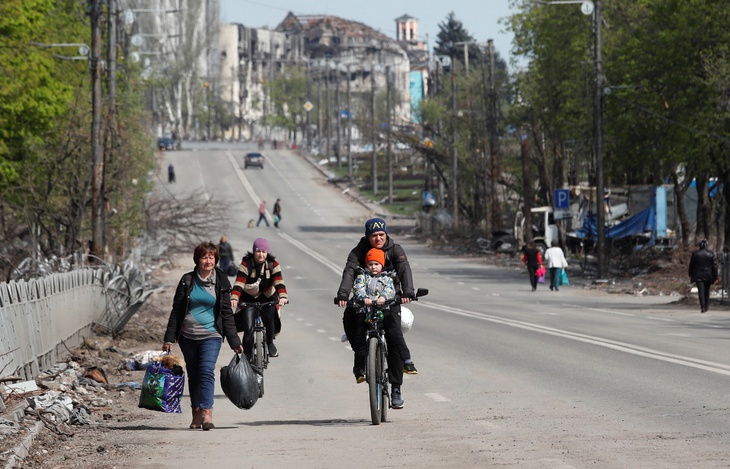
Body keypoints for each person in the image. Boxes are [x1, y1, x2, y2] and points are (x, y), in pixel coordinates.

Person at [336, 218, 417, 410]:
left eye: (381, 235)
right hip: (364, 299)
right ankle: (361, 356)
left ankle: (396, 389)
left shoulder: (395, 249)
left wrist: (407, 292)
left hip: (389, 301)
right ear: (367, 236)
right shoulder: (358, 252)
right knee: (349, 316)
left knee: (393, 336)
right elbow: (349, 272)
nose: (378, 238)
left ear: (386, 234)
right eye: (374, 235)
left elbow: (404, 270)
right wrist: (343, 294)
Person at [162, 242, 243, 431]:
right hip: (187, 336)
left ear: (216, 260)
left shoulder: (221, 281)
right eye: (204, 257)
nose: (208, 261)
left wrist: (234, 341)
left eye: (211, 258)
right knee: (194, 375)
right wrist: (169, 338)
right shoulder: (187, 280)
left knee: (206, 372)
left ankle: (207, 414)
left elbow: (226, 314)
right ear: (197, 260)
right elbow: (176, 311)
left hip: (211, 335)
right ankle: (196, 411)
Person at [230, 237, 288, 359]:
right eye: (258, 251)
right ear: (254, 251)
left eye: (263, 251)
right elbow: (239, 283)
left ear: (267, 253)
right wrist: (234, 297)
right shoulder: (246, 263)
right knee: (248, 327)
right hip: (248, 299)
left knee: (270, 316)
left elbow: (279, 282)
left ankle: (270, 343)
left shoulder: (273, 265)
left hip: (267, 298)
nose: (261, 254)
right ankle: (247, 356)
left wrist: (283, 296)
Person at [350, 248, 399, 384]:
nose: (373, 267)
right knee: (359, 338)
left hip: (383, 310)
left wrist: (384, 297)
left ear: (382, 264)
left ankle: (394, 362)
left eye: (376, 264)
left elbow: (390, 290)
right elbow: (358, 288)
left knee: (392, 334)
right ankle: (359, 369)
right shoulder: (362, 276)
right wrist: (364, 297)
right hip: (365, 311)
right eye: (370, 264)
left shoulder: (387, 278)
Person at [688, 238, 718, 313]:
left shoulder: (695, 254)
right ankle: (706, 306)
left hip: (698, 275)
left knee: (701, 291)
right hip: (708, 275)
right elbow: (715, 266)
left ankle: (702, 307)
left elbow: (691, 265)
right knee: (707, 291)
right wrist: (715, 276)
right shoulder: (711, 254)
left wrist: (690, 273)